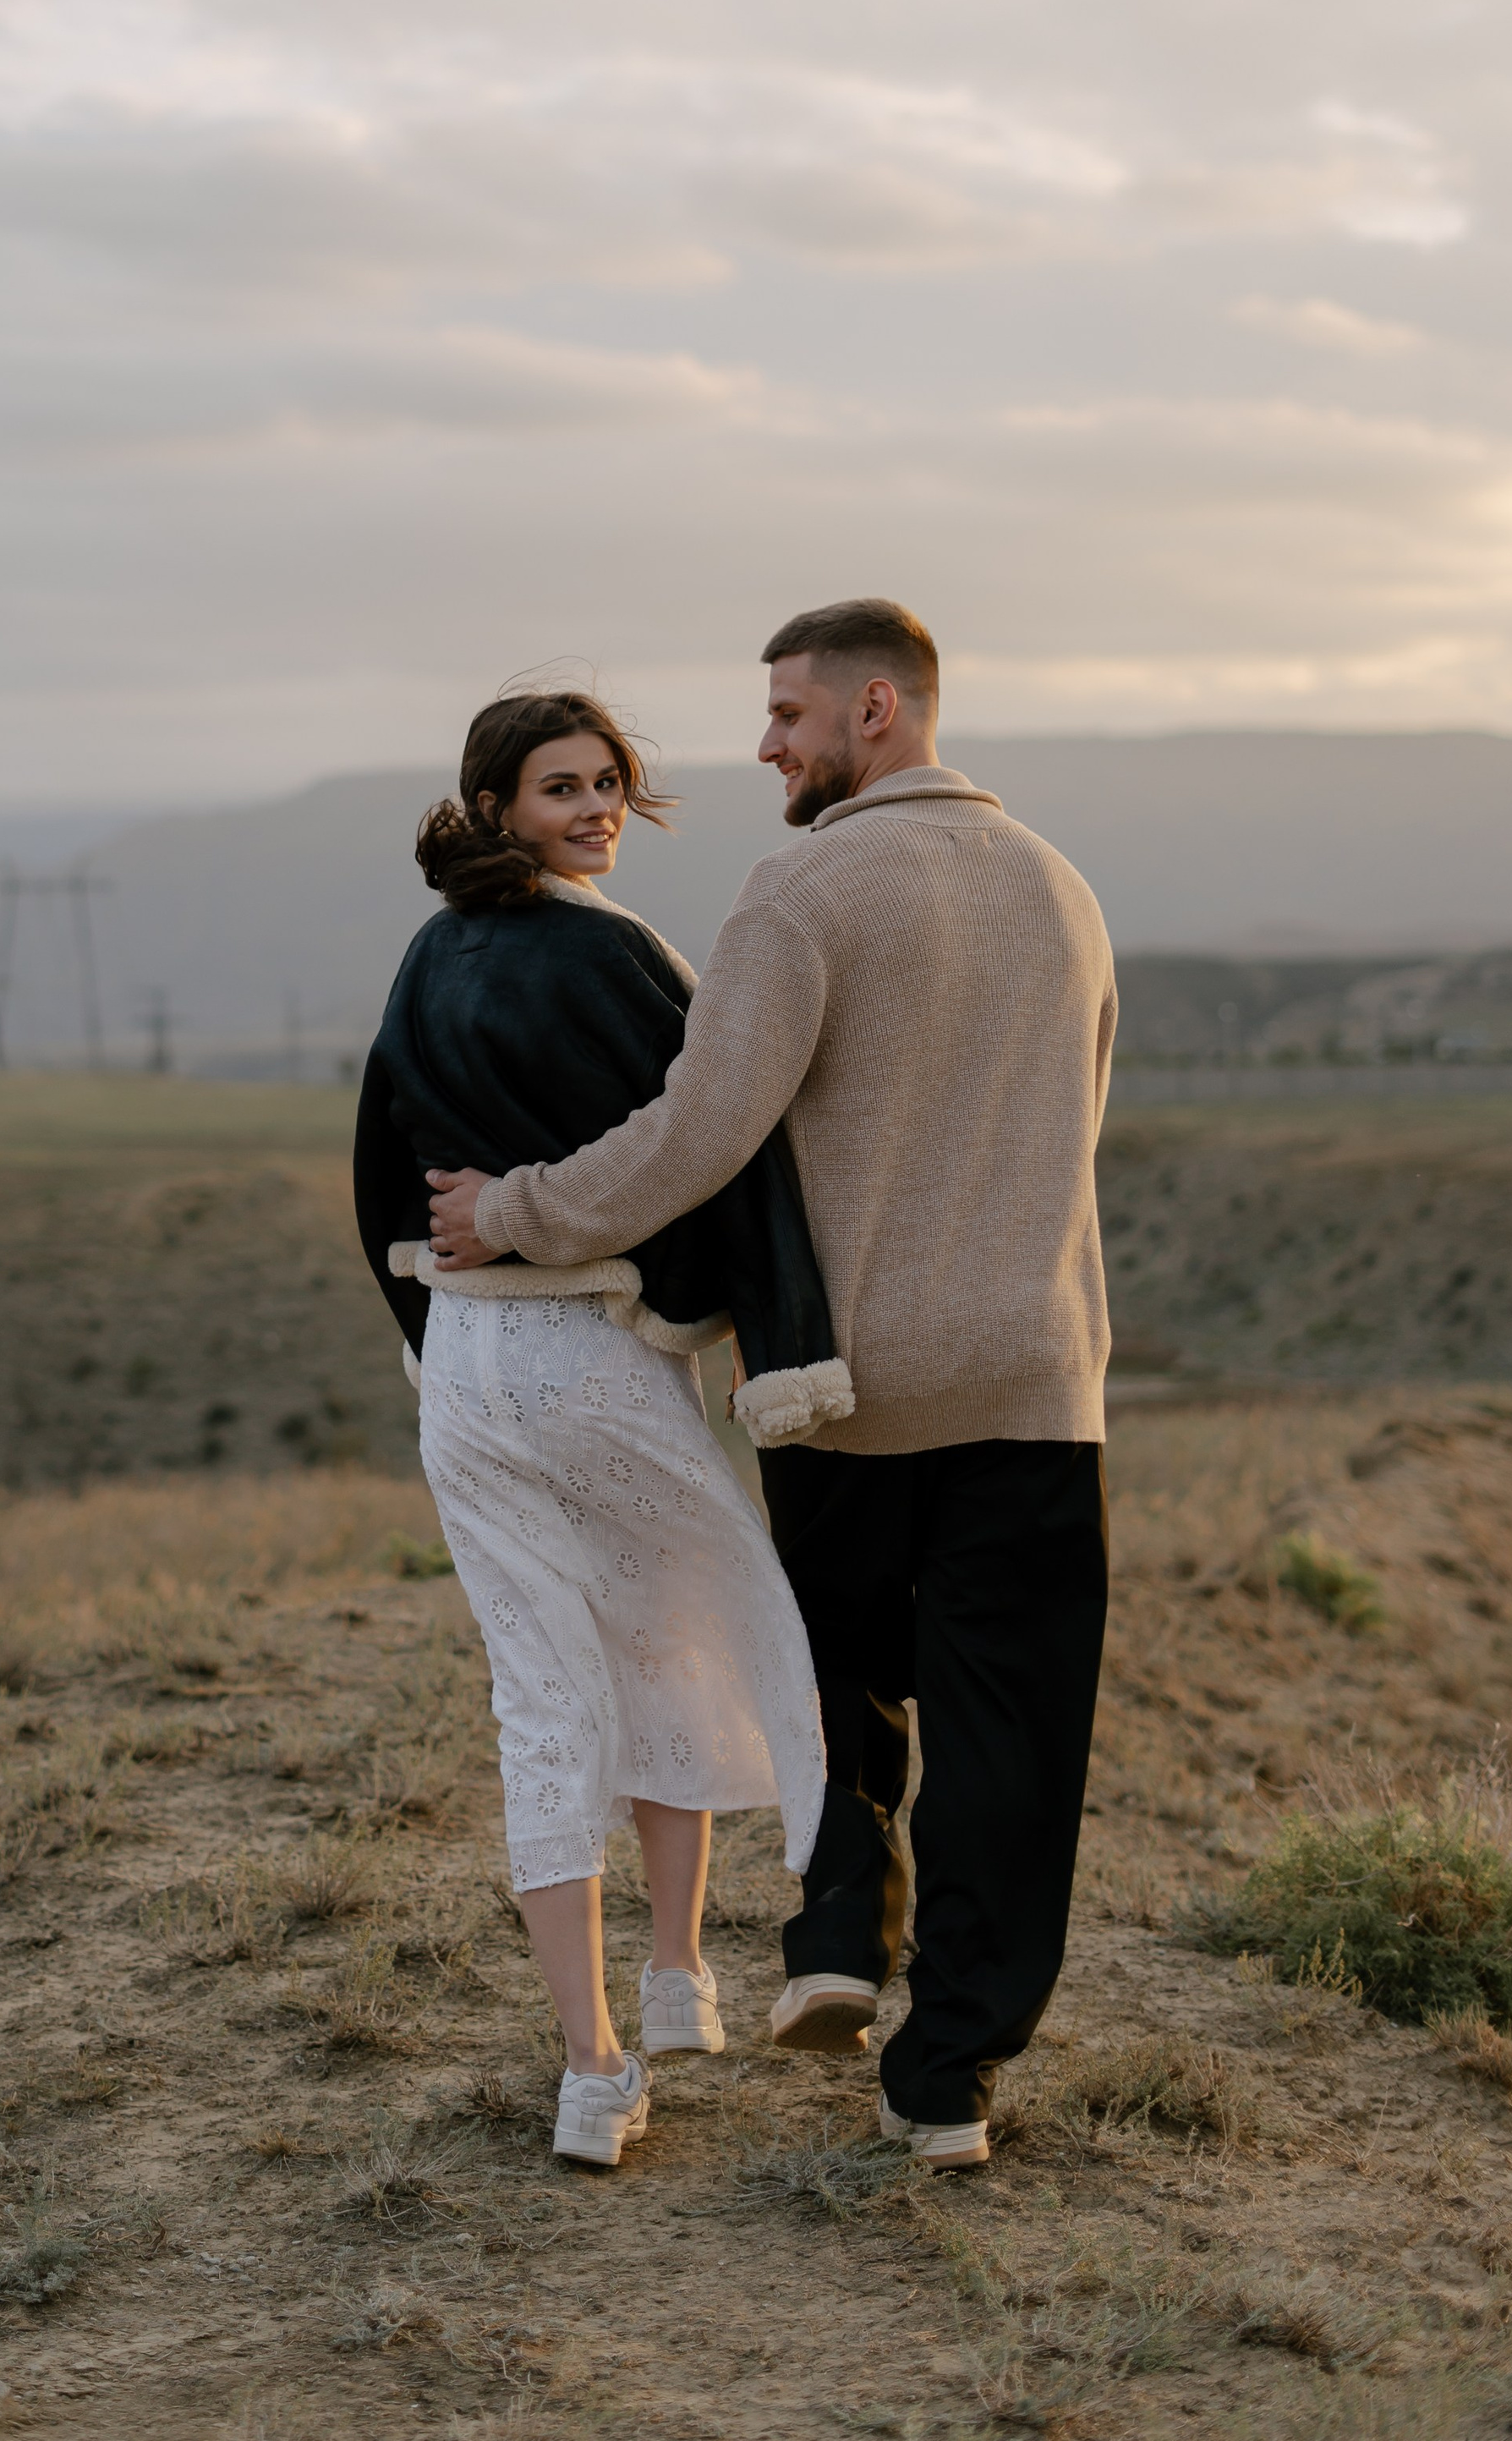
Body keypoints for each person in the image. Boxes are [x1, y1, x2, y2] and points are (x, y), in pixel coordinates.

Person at [427, 602, 1116, 2175]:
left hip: (856, 1390)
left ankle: (836, 1940)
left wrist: (519, 1212)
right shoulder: (1064, 891)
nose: (766, 749)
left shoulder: (799, 891)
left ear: (877, 711)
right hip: (1036, 1381)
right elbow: (1073, 1125)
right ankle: (947, 2085)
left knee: (836, 1680)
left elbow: (697, 1131)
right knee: (1014, 1747)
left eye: (789, 717)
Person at [354, 690, 845, 2169]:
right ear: (496, 804)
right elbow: (716, 1146)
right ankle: (686, 1972)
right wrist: (749, 1316)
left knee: (543, 1702)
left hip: (463, 1369)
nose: (595, 812)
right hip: (596, 1349)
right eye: (562, 789)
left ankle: (598, 2065)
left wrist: (430, 1319)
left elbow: (380, 1165)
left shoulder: (425, 958)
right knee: (697, 1632)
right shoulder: (624, 956)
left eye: (611, 786)